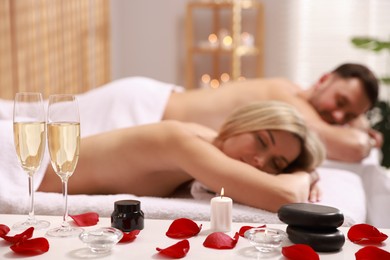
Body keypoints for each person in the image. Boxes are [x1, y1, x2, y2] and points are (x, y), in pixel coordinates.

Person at [38, 101, 326, 213]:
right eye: (262, 141)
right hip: (26, 165)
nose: (260, 162)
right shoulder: (185, 142)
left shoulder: (206, 147)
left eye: (276, 163)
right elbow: (284, 195)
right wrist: (307, 173)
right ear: (242, 123)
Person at [162, 63, 381, 162]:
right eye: (340, 101)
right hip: (150, 108)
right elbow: (352, 148)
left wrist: (358, 124)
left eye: (350, 116)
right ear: (324, 80)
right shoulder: (285, 95)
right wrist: (367, 137)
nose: (339, 117)